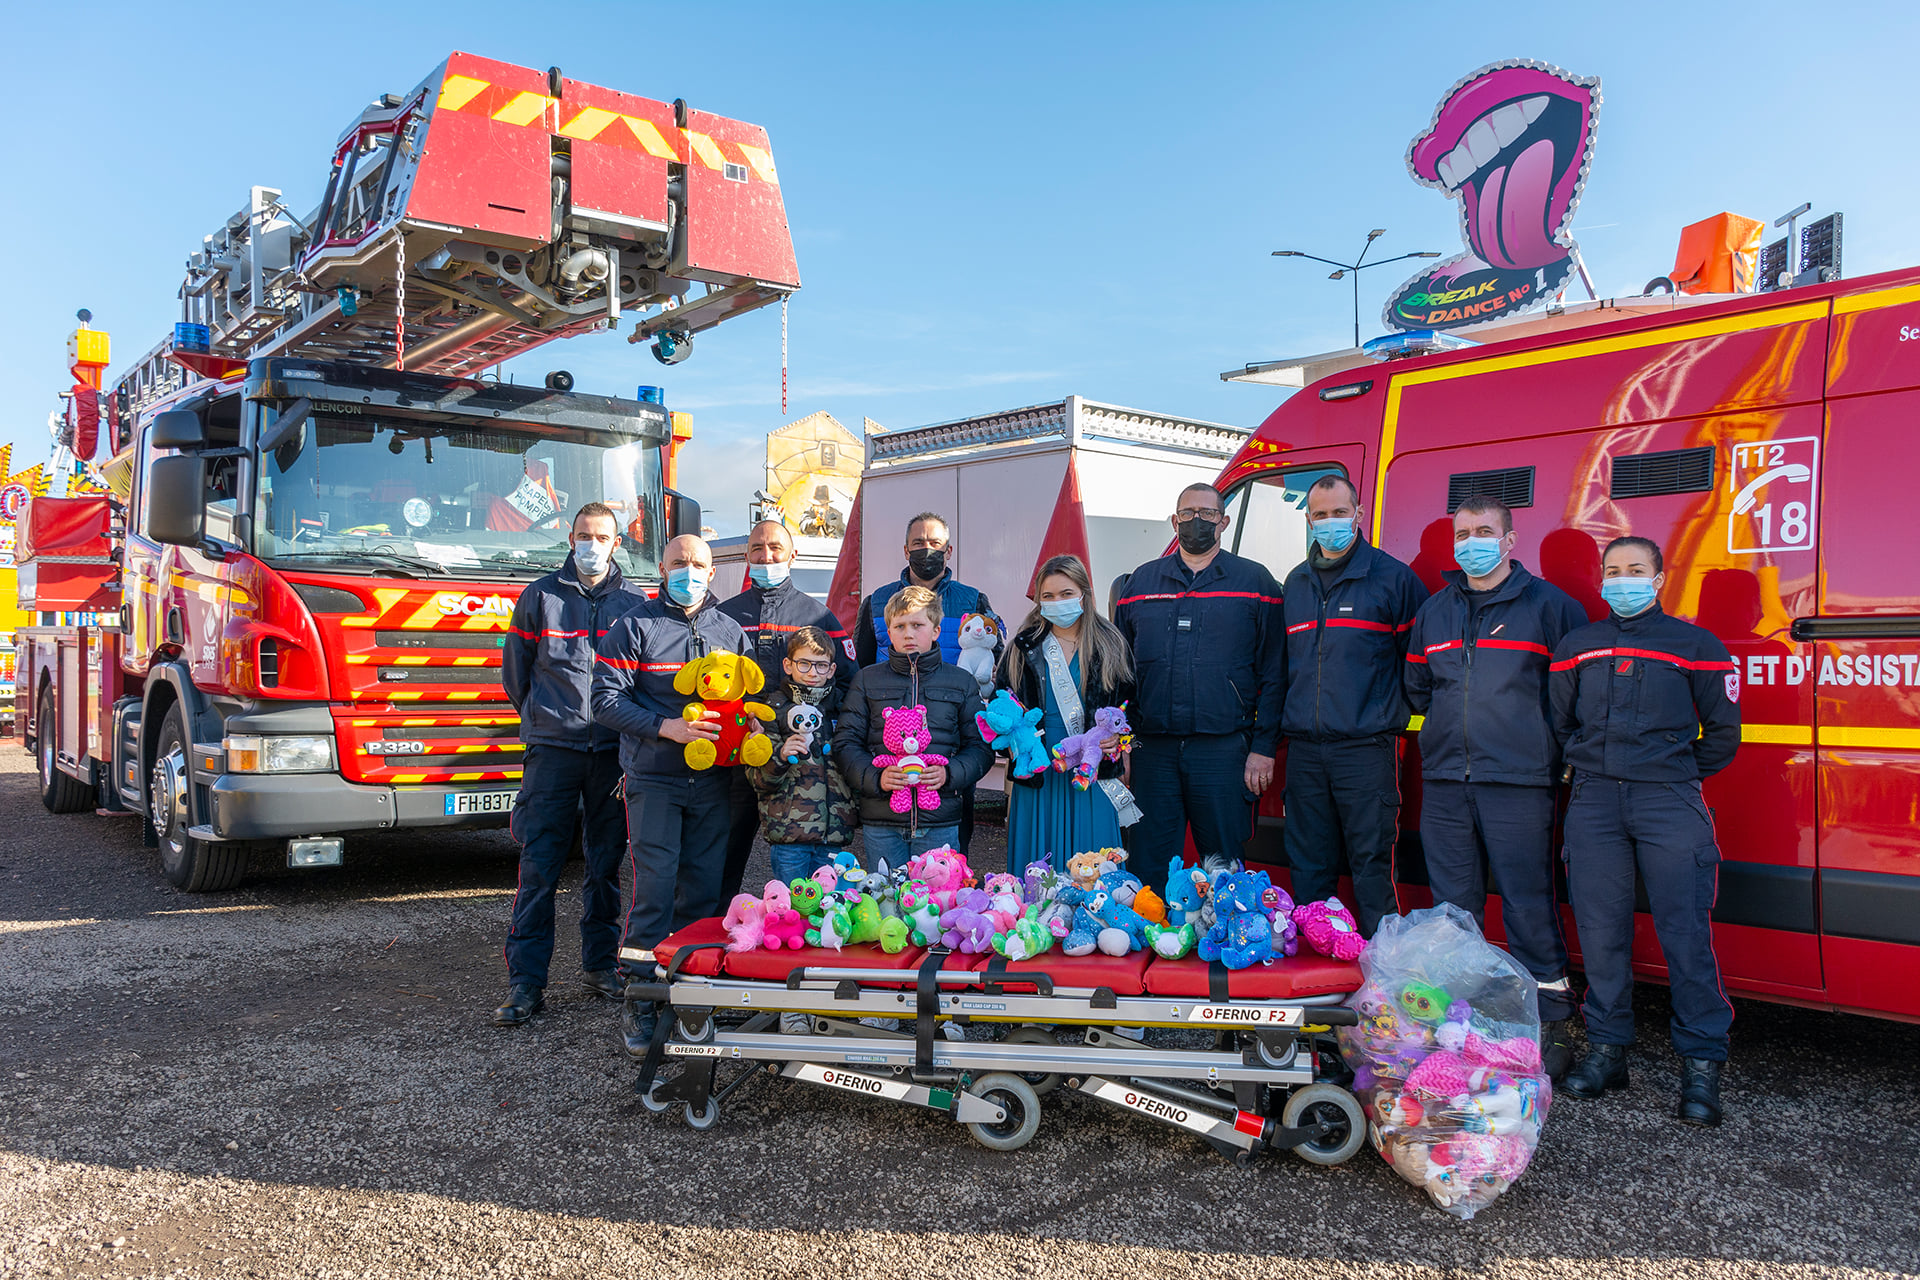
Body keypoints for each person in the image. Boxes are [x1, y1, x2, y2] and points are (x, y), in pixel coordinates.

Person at [1551, 535, 1741, 1126]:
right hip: (1595, 801)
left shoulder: (1697, 646)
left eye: (1635, 569)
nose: (1622, 579)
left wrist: (1671, 771)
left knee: (1685, 935)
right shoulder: (1577, 646)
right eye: (1613, 570)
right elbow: (1560, 722)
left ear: (1659, 579)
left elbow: (1723, 734)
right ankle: (1607, 1053)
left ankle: (1701, 1066)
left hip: (1669, 800)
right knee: (1600, 934)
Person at [1402, 494, 1589, 1079]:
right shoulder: (1434, 611)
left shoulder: (1551, 608)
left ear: (1510, 541)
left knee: (1527, 903)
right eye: (1463, 534)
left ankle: (1553, 1023)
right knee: (1453, 912)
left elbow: (1573, 696)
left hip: (1519, 781)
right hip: (1446, 780)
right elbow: (1418, 686)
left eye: (1484, 532)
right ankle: (1468, 1024)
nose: (1471, 543)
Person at [593, 534, 760, 1054]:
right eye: (679, 563)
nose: (689, 571)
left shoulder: (728, 629)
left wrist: (751, 727)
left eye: (698, 564)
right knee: (656, 890)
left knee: (705, 891)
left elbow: (746, 698)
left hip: (713, 784)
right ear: (663, 570)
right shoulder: (634, 626)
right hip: (654, 780)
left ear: (712, 572)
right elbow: (604, 701)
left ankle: (691, 991)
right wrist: (668, 728)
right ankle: (641, 998)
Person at [492, 503, 650, 1027]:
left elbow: (639, 682)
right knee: (540, 866)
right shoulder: (540, 597)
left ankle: (600, 966)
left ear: (617, 543)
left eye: (602, 537)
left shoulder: (635, 604)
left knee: (605, 866)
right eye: (584, 535)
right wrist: (545, 720)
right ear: (570, 538)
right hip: (552, 751)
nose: (592, 545)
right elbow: (516, 675)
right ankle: (526, 983)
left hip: (611, 752)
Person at [1114, 483, 1285, 892]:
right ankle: (1152, 930)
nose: (1197, 521)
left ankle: (1227, 930)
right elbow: (1119, 675)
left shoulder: (1255, 582)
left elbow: (1276, 672)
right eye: (1188, 513)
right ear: (1175, 521)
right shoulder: (1141, 582)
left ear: (1223, 522)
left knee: (1224, 866)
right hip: (1152, 751)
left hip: (1223, 750)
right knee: (1148, 862)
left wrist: (1263, 748)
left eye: (1207, 514)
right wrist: (1122, 746)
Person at [1280, 474, 1426, 936]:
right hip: (1305, 752)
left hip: (1367, 750)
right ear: (1309, 520)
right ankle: (1317, 959)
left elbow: (1418, 664)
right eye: (1321, 515)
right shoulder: (1296, 583)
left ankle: (1384, 962)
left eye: (1339, 513)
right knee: (1308, 863)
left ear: (1358, 514)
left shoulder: (1393, 579)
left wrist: (1386, 715)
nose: (1330, 522)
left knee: (1372, 864)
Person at [718, 519, 856, 903]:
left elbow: (848, 684)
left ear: (792, 555)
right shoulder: (725, 616)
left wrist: (818, 728)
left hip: (797, 769)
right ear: (746, 555)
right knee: (723, 856)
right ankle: (718, 928)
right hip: (736, 759)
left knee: (801, 872)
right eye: (757, 548)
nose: (766, 556)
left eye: (775, 548)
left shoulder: (819, 616)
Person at [853, 512, 1004, 856]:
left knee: (949, 858)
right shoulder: (877, 601)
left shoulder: (972, 600)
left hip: (948, 747)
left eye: (935, 543)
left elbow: (994, 658)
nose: (927, 549)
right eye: (918, 543)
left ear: (949, 551)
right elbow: (859, 666)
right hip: (889, 750)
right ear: (906, 550)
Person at [995, 554, 1139, 878]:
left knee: (1095, 871)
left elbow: (1133, 706)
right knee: (1036, 873)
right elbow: (1000, 704)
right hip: (1039, 767)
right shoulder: (1023, 646)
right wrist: (1014, 740)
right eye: (1048, 596)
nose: (1057, 602)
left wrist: (1120, 741)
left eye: (1066, 594)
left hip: (1092, 768)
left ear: (1084, 594)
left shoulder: (1111, 644)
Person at [834, 586, 995, 867]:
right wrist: (876, 777)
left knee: (938, 894)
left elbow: (981, 747)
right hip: (882, 821)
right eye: (900, 626)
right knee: (885, 893)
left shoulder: (961, 681)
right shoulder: (866, 680)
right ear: (889, 632)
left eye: (917, 625)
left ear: (936, 631)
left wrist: (949, 773)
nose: (908, 634)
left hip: (940, 820)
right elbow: (845, 743)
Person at [747, 626, 860, 886]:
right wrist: (780, 756)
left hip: (834, 835)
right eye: (804, 664)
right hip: (790, 835)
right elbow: (758, 779)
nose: (812, 672)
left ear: (832, 669)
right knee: (792, 906)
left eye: (821, 665)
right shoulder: (772, 710)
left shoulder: (845, 708)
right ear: (788, 665)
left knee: (834, 905)